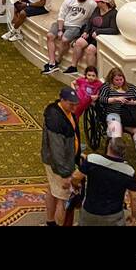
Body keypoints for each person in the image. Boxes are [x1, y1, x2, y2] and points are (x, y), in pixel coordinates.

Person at [98, 68, 136, 169]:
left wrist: (133, 102)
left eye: (121, 79)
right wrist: (115, 99)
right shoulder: (107, 87)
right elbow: (101, 98)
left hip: (128, 116)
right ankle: (115, 158)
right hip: (114, 115)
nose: (119, 82)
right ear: (111, 79)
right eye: (116, 80)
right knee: (116, 131)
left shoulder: (130, 87)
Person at [74, 136, 136, 226]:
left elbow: (75, 177)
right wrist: (134, 216)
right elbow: (135, 198)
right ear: (123, 152)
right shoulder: (129, 171)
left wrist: (76, 186)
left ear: (108, 146)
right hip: (113, 216)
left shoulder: (92, 160)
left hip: (89, 212)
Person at [40, 88, 81, 226]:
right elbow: (57, 149)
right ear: (62, 100)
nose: (75, 107)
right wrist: (65, 174)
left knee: (52, 190)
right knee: (63, 198)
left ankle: (50, 222)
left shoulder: (66, 112)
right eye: (71, 104)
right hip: (58, 164)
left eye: (76, 104)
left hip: (60, 161)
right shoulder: (55, 118)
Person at [42, 0, 94, 73]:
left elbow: (91, 19)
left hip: (75, 26)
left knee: (65, 39)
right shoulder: (69, 0)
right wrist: (59, 29)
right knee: (50, 35)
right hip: (62, 23)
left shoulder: (91, 4)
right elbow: (61, 15)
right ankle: (52, 62)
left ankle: (57, 61)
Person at [67, 0, 118, 72]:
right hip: (91, 33)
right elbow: (90, 22)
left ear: (104, 3)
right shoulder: (97, 9)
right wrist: (86, 32)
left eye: (98, 2)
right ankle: (73, 66)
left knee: (90, 50)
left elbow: (114, 29)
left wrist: (98, 32)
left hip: (100, 38)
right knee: (79, 43)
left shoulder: (113, 13)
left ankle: (91, 72)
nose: (96, 3)